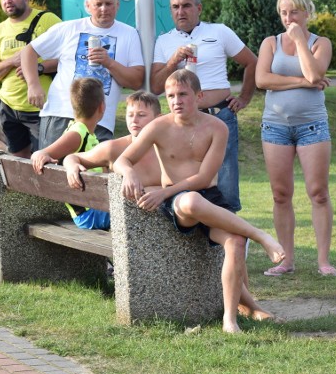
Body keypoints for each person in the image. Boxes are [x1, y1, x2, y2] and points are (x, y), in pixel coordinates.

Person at [114, 70, 285, 333]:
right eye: (170, 96)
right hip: (179, 201)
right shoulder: (158, 126)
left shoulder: (217, 127)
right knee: (191, 202)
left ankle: (230, 319)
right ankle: (260, 235)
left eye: (182, 94)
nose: (176, 101)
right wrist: (130, 173)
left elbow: (205, 177)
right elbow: (122, 160)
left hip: (207, 195)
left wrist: (163, 192)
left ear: (199, 95)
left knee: (236, 241)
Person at [150, 0, 257, 211]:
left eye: (186, 6)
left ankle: (231, 239)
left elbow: (251, 62)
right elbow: (156, 86)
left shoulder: (218, 32)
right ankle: (194, 240)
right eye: (175, 7)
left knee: (225, 185)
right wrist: (173, 60)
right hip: (181, 122)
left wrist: (245, 98)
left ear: (199, 8)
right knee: (187, 182)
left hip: (219, 115)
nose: (181, 12)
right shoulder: (164, 41)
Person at [256, 0, 336, 277]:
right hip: (275, 127)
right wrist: (301, 82)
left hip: (312, 126)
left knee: (318, 193)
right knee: (280, 194)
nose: (288, 17)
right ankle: (286, 260)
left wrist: (301, 41)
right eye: (283, 12)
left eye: (293, 12)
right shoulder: (270, 43)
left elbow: (316, 74)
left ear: (306, 13)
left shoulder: (320, 43)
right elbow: (262, 79)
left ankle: (324, 261)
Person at [22, 0, 144, 147]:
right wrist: (33, 84)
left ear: (117, 5)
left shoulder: (129, 34)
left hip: (100, 120)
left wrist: (109, 63)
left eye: (108, 4)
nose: (104, 9)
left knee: (95, 172)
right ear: (87, 6)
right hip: (61, 113)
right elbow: (29, 51)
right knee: (54, 169)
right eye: (98, 4)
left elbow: (136, 81)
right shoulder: (69, 28)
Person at [0, 0, 61, 158]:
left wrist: (37, 67)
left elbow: (70, 57)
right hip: (9, 107)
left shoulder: (48, 20)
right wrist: (12, 61)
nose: (7, 1)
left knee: (46, 159)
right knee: (18, 160)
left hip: (42, 106)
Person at [31, 78, 107, 228]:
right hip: (90, 214)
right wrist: (40, 155)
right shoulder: (77, 133)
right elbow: (42, 152)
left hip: (94, 208)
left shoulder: (81, 131)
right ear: (102, 107)